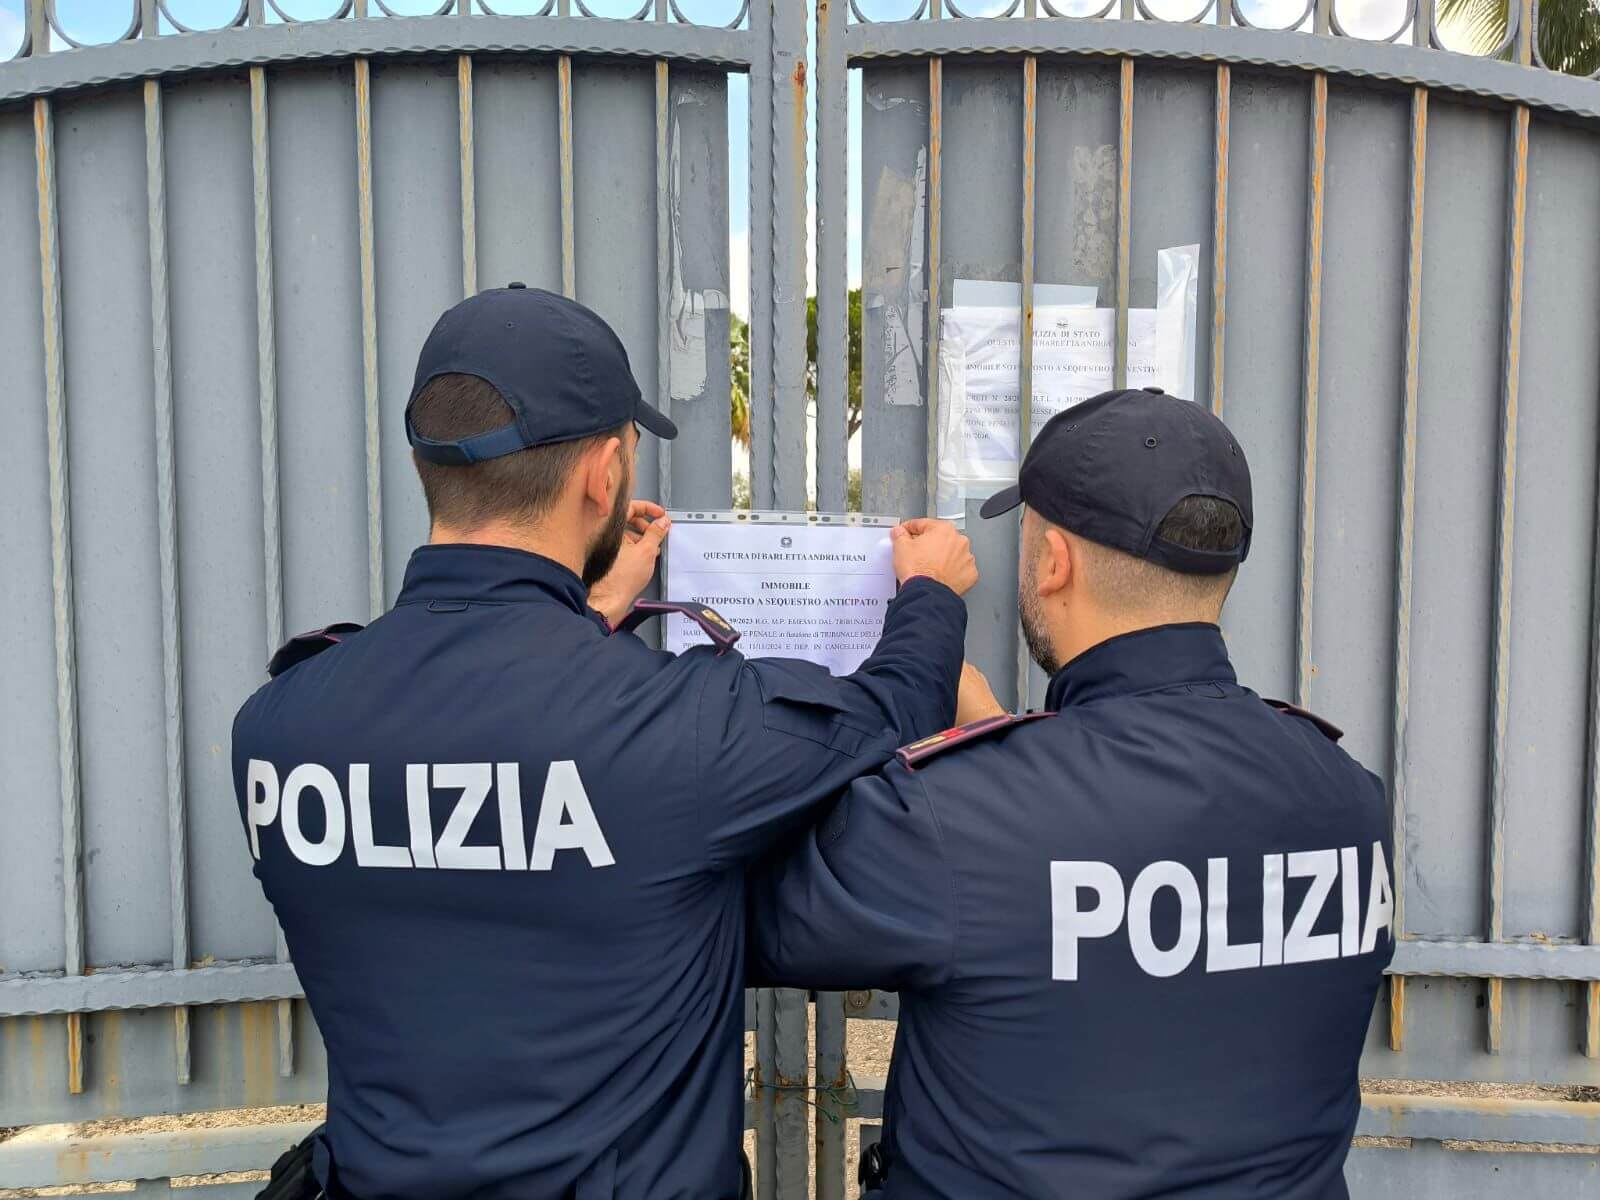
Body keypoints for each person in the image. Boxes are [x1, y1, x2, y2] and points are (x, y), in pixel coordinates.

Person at [231, 284, 978, 1200]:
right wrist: (929, 593)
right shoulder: (677, 727)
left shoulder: (278, 727)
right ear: (604, 470)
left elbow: (487, 755)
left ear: (428, 463)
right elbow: (891, 710)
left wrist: (591, 611)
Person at [749, 388, 1395, 1199]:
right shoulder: (1348, 796)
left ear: (1054, 561)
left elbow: (727, 915)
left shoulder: (960, 819)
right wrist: (1006, 744)